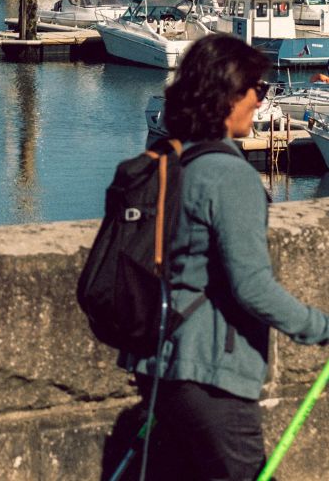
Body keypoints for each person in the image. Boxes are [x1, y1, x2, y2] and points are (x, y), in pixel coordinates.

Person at [137, 33, 329, 479]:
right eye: (257, 90)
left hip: (160, 366)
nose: (262, 103)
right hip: (212, 375)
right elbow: (253, 286)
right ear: (229, 96)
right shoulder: (230, 176)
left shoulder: (168, 163)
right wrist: (320, 327)